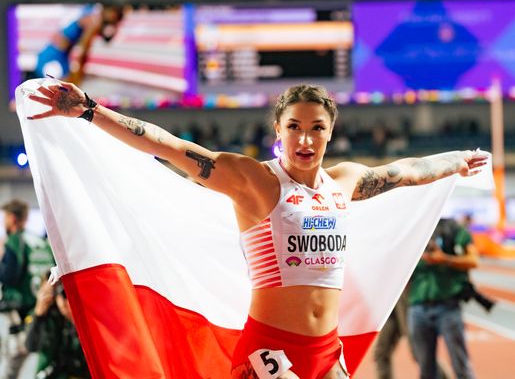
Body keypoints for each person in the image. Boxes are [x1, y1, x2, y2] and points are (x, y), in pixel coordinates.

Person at [27, 80, 487, 379]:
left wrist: (457, 161)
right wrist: (90, 111)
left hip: (328, 351)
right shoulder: (254, 181)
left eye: (316, 128)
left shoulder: (344, 182)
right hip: (271, 352)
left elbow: (406, 170)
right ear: (278, 130)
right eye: (294, 127)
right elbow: (169, 146)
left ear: (330, 132)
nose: (305, 139)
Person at [407, 218, 479, 379]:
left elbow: (473, 260)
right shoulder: (413, 229)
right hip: (417, 307)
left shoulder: (453, 229)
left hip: (447, 306)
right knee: (425, 368)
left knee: (460, 365)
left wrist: (445, 259)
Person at [34, 4, 123, 84]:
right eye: (116, 13)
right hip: (53, 57)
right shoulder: (93, 20)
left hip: (56, 54)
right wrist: (78, 73)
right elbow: (82, 50)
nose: (115, 18)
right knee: (62, 91)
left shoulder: (91, 10)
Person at [25, 277, 90, 379]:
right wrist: (39, 315)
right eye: (64, 294)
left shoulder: (87, 316)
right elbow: (32, 346)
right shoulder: (48, 317)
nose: (67, 300)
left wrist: (75, 320)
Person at [0, 200, 36, 379]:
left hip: (16, 313)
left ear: (12, 218)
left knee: (10, 367)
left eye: (4, 217)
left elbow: (9, 276)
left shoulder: (14, 242)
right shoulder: (34, 241)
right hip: (35, 312)